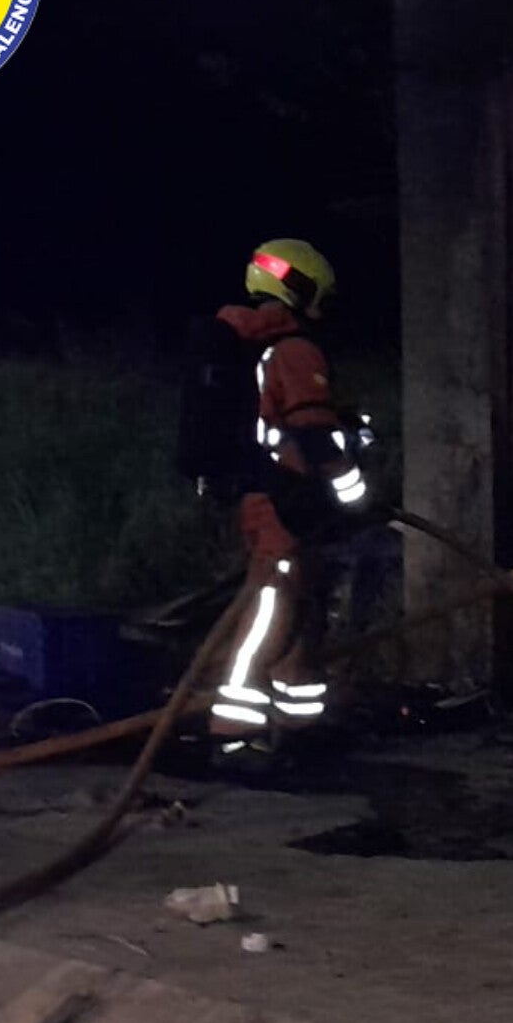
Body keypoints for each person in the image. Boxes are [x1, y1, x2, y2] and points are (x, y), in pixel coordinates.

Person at [191, 239, 371, 750]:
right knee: (274, 610)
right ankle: (234, 730)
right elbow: (312, 434)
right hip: (286, 504)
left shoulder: (258, 348)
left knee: (303, 611)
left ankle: (300, 723)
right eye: (320, 296)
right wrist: (354, 493)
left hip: (278, 502)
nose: (324, 308)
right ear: (301, 289)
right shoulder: (294, 350)